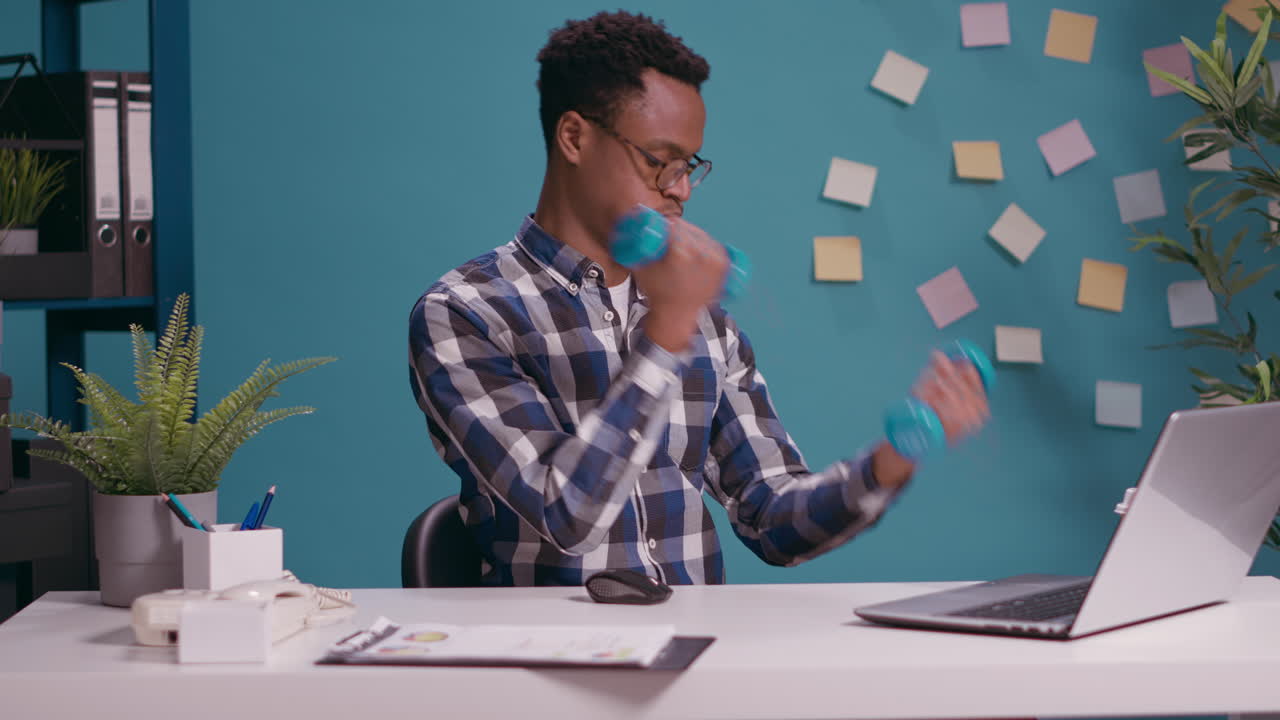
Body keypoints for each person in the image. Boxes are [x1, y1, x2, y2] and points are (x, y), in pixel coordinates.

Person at [408, 10, 989, 586]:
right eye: (659, 162)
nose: (681, 189)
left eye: (689, 166)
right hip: (546, 642)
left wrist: (891, 460)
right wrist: (668, 333)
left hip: (693, 640)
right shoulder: (464, 313)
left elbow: (774, 522)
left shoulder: (704, 324)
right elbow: (564, 515)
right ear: (575, 137)